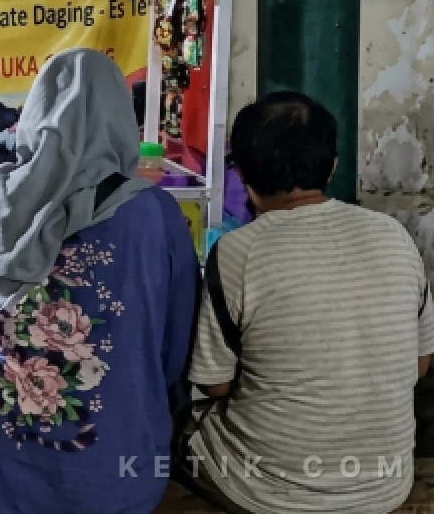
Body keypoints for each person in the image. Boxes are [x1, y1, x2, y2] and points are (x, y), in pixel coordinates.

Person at [0, 48, 200, 514]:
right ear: (120, 120)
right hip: (115, 478)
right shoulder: (157, 214)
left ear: (36, 116)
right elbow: (176, 349)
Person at [184, 91, 434, 513]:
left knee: (173, 426)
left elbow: (215, 384)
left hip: (267, 494)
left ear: (241, 174)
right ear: (332, 165)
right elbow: (419, 365)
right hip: (384, 487)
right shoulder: (394, 235)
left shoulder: (237, 252)